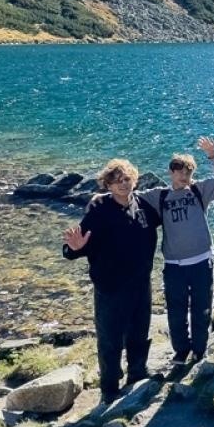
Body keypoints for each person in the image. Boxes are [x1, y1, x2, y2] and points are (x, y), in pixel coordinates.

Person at [137, 136, 214, 374]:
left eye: (188, 172)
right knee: (176, 311)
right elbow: (128, 198)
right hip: (174, 265)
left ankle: (200, 349)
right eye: (180, 172)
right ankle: (181, 350)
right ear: (171, 172)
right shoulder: (159, 196)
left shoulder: (199, 190)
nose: (184, 177)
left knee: (201, 308)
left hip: (201, 262)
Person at [62, 159, 163, 402]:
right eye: (117, 181)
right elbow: (76, 246)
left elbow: (171, 214)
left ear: (134, 180)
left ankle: (137, 373)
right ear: (107, 184)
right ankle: (109, 387)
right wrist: (73, 249)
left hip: (140, 283)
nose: (123, 185)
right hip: (110, 287)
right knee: (110, 338)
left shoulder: (143, 207)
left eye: (127, 179)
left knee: (139, 332)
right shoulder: (98, 210)